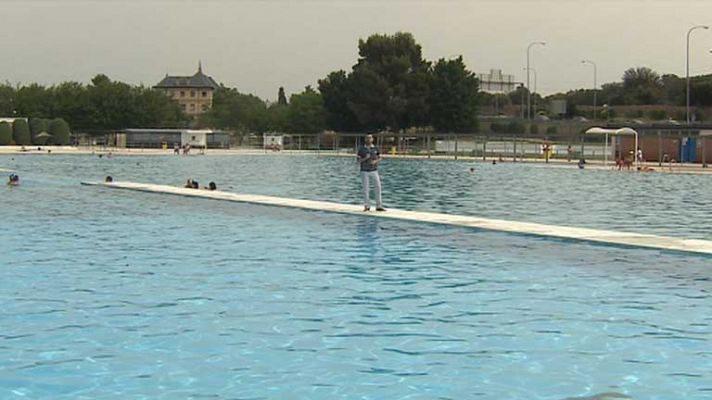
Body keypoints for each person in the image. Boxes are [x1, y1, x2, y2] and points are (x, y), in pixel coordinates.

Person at [357, 134, 385, 212]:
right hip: (364, 171)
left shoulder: (375, 148)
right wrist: (365, 158)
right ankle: (367, 206)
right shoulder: (361, 149)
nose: (368, 139)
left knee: (378, 187)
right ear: (365, 139)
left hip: (374, 170)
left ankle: (379, 206)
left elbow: (380, 158)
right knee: (366, 188)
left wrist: (375, 161)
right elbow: (358, 161)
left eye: (370, 138)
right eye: (367, 138)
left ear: (372, 139)